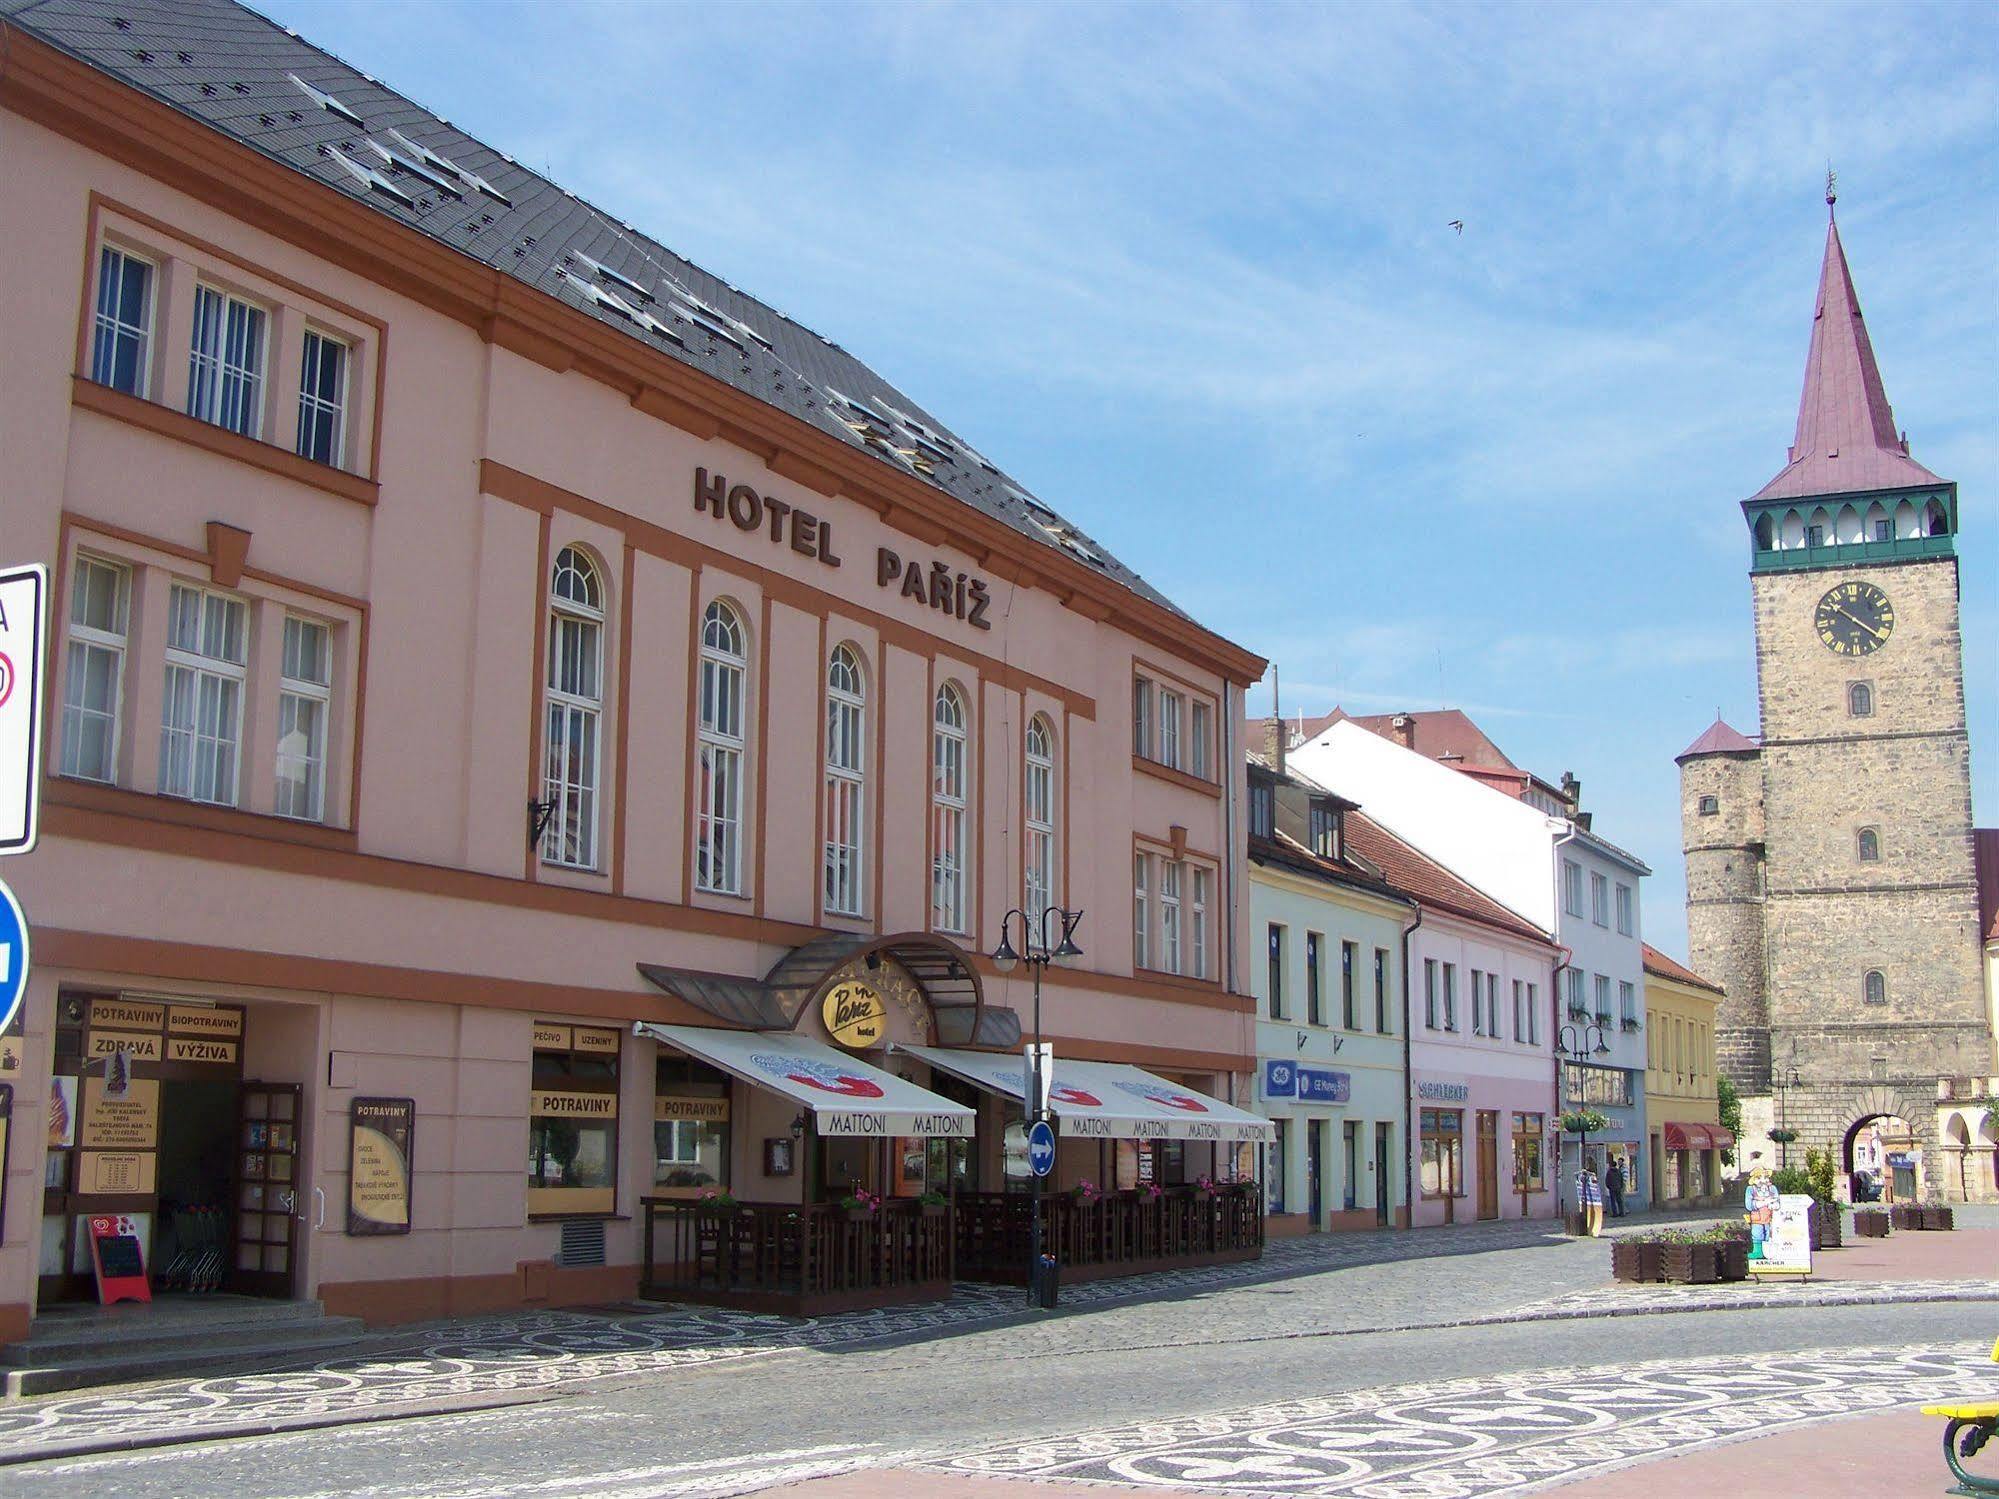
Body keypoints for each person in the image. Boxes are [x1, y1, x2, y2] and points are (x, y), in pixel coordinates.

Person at [1577, 1164, 1604, 1237]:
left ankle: (1590, 1228)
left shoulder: (1591, 1176)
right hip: (1588, 1199)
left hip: (1591, 1200)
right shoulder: (1585, 1176)